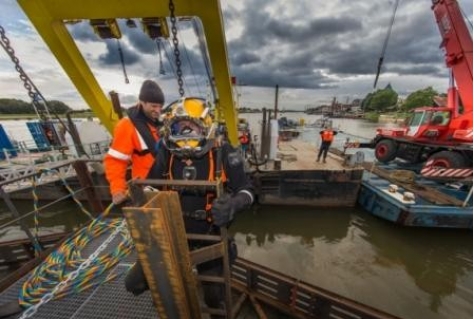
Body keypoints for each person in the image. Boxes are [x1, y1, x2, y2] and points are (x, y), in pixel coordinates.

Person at [124, 97, 255, 310]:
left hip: (209, 237)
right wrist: (141, 204)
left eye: (191, 126)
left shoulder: (224, 151)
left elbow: (248, 190)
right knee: (134, 284)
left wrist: (233, 204)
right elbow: (151, 188)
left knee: (214, 299)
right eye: (179, 127)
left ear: (206, 126)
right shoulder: (167, 154)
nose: (185, 134)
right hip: (171, 235)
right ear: (170, 129)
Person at [104, 79, 165, 205]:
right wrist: (117, 190)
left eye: (160, 106)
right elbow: (116, 160)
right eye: (153, 106)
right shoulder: (127, 125)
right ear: (142, 102)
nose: (158, 110)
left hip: (166, 184)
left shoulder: (160, 123)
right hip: (145, 188)